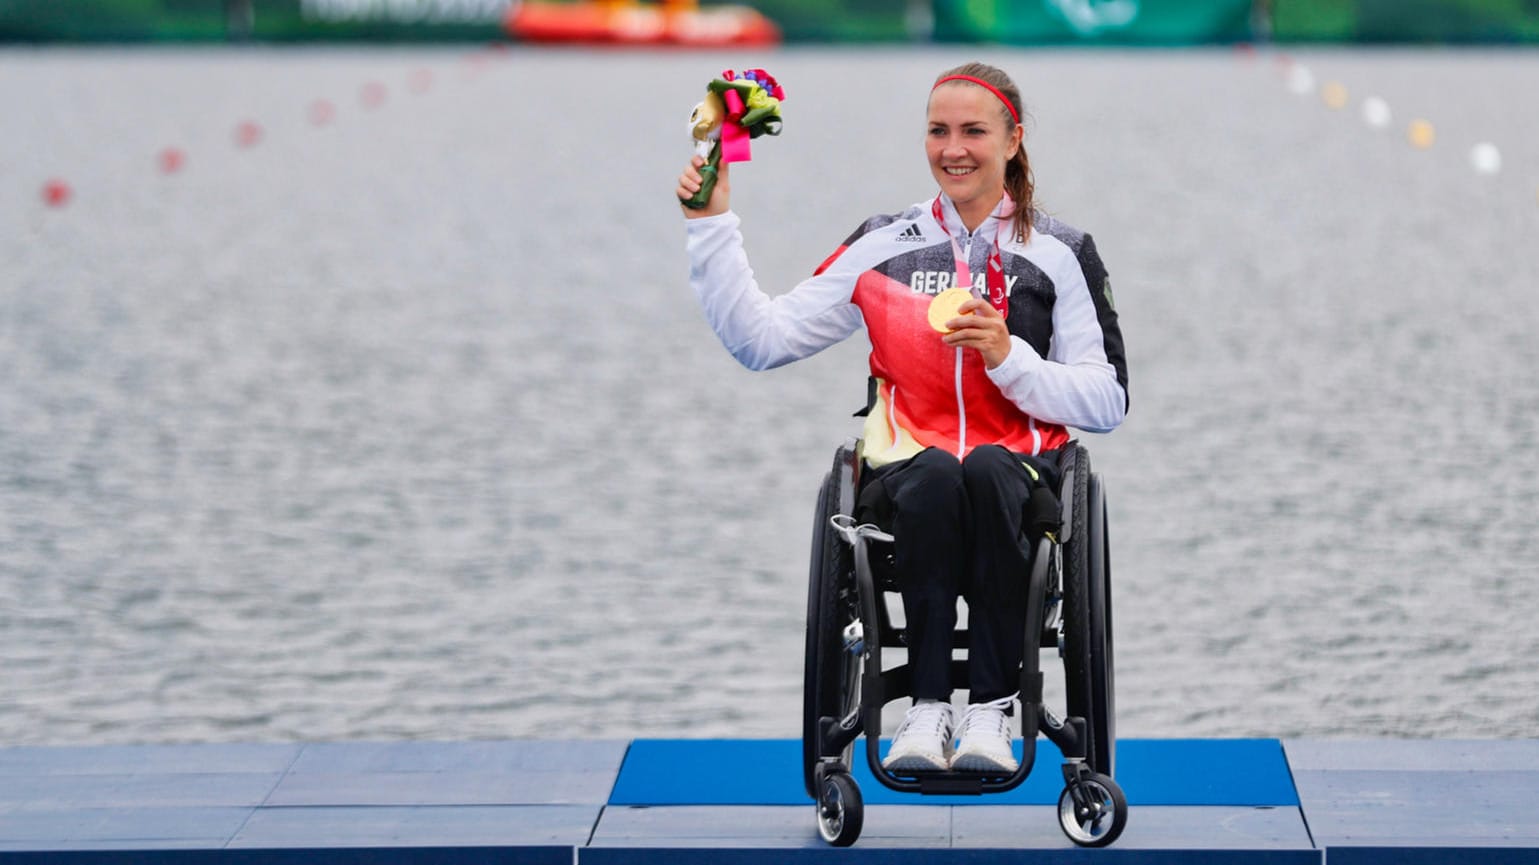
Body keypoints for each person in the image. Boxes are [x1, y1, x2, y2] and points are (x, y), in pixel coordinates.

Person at [676, 62, 1128, 774]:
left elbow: (1106, 401)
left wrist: (1009, 358)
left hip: (1020, 479)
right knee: (936, 475)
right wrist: (710, 226)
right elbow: (758, 341)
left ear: (1012, 140)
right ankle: (923, 709)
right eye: (937, 130)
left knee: (978, 467)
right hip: (907, 479)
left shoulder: (1059, 254)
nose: (954, 148)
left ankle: (988, 710)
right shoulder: (883, 242)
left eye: (973, 131)